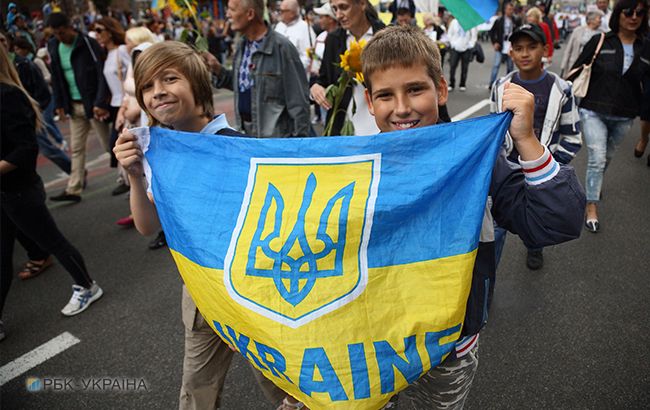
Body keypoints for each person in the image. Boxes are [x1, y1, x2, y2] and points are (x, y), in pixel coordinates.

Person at [361, 24, 585, 409]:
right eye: (385, 95)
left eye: (415, 89)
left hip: (450, 348)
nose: (401, 108)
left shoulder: (477, 161)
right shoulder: (356, 166)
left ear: (442, 90)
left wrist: (527, 140)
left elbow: (558, 221)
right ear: (369, 101)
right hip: (370, 344)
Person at [112, 40, 291, 410]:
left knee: (282, 383)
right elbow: (149, 227)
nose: (157, 92)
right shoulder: (154, 152)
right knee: (197, 388)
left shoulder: (238, 147)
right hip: (199, 289)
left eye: (170, 79)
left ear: (198, 86)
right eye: (147, 86)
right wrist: (133, 175)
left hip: (253, 288)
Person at [1, 44, 103, 341]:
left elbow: (25, 149)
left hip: (19, 189)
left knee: (53, 242)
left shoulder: (8, 95)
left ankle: (87, 286)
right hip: (6, 192)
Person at [490, 23, 582, 270]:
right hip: (506, 173)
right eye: (518, 48)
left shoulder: (561, 89)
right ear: (511, 53)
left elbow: (572, 136)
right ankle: (489, 273)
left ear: (545, 49)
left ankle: (535, 246)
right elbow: (492, 130)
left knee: (538, 219)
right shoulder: (500, 86)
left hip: (539, 171)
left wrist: (550, 168)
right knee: (496, 230)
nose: (525, 53)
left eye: (532, 47)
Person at [568, 0, 650, 233]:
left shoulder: (646, 47)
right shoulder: (601, 40)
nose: (634, 16)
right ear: (618, 15)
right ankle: (591, 205)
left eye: (640, 13)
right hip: (593, 109)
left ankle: (594, 185)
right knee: (597, 156)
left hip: (625, 115)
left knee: (606, 158)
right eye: (628, 11)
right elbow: (576, 68)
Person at [207, 0, 311, 138]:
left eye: (232, 9)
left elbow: (299, 103)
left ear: (250, 14)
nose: (227, 15)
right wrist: (217, 69)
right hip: (246, 138)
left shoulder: (282, 48)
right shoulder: (242, 46)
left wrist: (297, 146)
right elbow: (242, 85)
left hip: (275, 142)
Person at [46, 12, 111, 203]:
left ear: (70, 26)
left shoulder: (87, 43)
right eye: (55, 34)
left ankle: (134, 178)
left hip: (93, 104)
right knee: (76, 149)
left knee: (109, 145)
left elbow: (101, 73)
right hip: (74, 106)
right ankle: (74, 189)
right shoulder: (54, 46)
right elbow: (57, 78)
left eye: (61, 32)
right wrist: (59, 104)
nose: (60, 37)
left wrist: (100, 101)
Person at [310, 0, 385, 135]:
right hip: (344, 127)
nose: (338, 15)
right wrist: (316, 87)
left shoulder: (386, 34)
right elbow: (323, 79)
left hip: (380, 126)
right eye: (335, 9)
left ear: (362, 4)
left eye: (344, 7)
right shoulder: (334, 39)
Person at [94, 16, 131, 197]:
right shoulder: (106, 55)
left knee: (122, 144)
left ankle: (131, 183)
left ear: (110, 31)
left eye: (100, 30)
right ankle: (127, 181)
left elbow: (133, 72)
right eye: (95, 31)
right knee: (118, 145)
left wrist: (128, 103)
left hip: (126, 104)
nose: (97, 34)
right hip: (115, 104)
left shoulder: (122, 50)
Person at [274, 0, 316, 74]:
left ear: (292, 13)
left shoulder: (305, 28)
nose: (279, 13)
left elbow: (308, 56)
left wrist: (290, 67)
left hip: (296, 75)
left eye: (282, 11)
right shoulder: (279, 26)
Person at [560, 9, 605, 77]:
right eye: (599, 18)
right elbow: (569, 49)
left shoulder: (602, 34)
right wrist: (563, 66)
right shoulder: (578, 31)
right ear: (591, 20)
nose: (600, 20)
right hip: (575, 63)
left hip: (592, 67)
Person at [488, 1, 520, 89]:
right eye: (509, 9)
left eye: (512, 9)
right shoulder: (499, 20)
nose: (511, 11)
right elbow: (491, 32)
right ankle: (492, 84)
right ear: (505, 10)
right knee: (496, 65)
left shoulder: (516, 20)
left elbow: (519, 32)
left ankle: (508, 84)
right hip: (501, 46)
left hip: (511, 46)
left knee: (510, 66)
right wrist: (494, 42)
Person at [446, 14, 477, 92]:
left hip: (466, 48)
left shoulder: (470, 23)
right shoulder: (454, 22)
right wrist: (453, 44)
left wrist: (470, 45)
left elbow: (474, 36)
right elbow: (449, 34)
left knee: (464, 67)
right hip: (455, 48)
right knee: (452, 66)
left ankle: (462, 84)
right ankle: (451, 83)